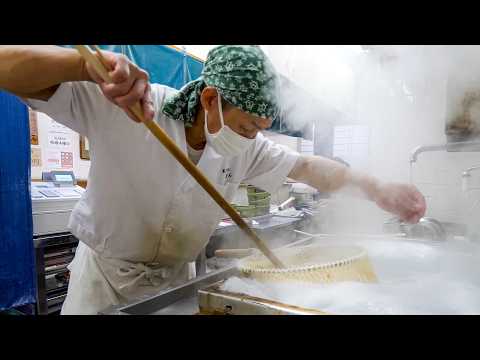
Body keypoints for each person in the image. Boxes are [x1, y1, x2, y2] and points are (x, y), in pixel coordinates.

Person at [0, 45, 426, 314]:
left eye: (260, 128)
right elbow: (8, 68)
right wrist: (85, 65)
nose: (252, 138)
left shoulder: (246, 147)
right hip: (104, 287)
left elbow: (310, 169)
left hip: (173, 287)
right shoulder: (133, 110)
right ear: (208, 98)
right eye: (246, 127)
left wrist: (377, 189)